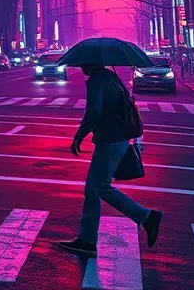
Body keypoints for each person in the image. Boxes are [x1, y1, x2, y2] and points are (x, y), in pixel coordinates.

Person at [56, 64, 163, 256]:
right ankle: (87, 239)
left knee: (101, 187)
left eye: (83, 63)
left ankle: (146, 216)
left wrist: (79, 135)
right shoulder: (111, 77)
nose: (81, 67)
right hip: (118, 137)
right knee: (92, 189)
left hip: (110, 140)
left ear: (91, 62)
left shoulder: (97, 80)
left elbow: (94, 112)